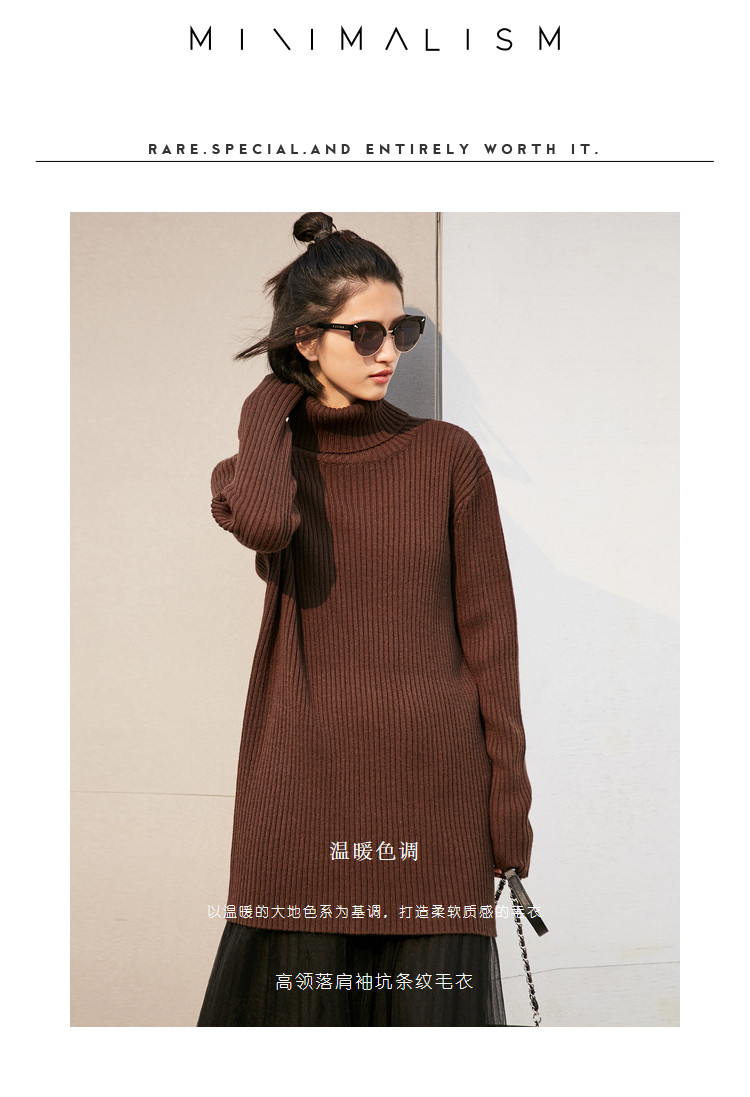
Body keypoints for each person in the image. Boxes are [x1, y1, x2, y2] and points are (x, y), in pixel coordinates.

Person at [197, 212, 534, 1026]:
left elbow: (492, 643)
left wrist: (508, 809)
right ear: (308, 341)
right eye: (366, 332)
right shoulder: (260, 466)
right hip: (303, 791)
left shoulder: (447, 456)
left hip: (434, 796)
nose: (390, 352)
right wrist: (271, 400)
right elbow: (267, 524)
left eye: (402, 329)